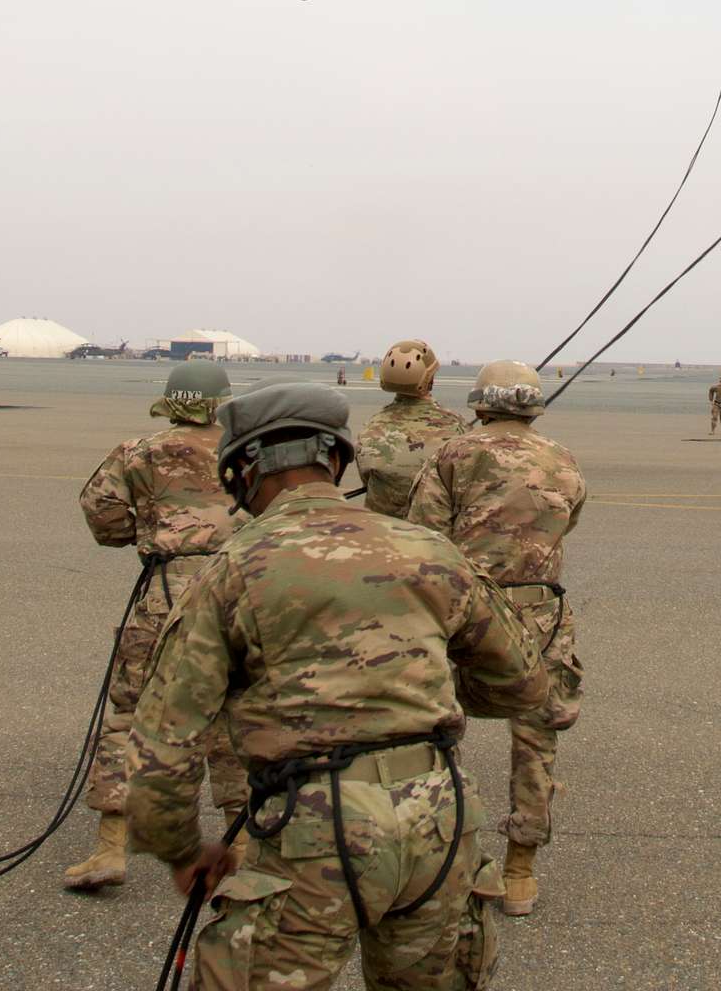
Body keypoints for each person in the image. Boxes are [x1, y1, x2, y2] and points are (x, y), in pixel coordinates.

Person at [127, 381, 546, 991]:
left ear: (243, 471)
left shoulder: (233, 569)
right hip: (440, 818)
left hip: (315, 829)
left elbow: (163, 747)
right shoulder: (431, 550)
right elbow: (523, 683)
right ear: (337, 458)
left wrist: (184, 850)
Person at [407, 361, 585, 919]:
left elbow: (424, 535)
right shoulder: (562, 458)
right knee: (536, 737)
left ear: (480, 403)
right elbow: (567, 519)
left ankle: (445, 855)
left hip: (465, 609)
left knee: (432, 727)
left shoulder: (453, 454)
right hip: (540, 611)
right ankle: (520, 871)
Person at [64, 361, 246, 892]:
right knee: (236, 712)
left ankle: (111, 847)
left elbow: (104, 517)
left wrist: (150, 529)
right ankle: (241, 846)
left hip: (165, 594)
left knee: (130, 712)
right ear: (222, 402)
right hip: (237, 590)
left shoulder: (137, 452)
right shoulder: (245, 451)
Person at [354, 339, 466, 518]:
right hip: (436, 536)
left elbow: (367, 477)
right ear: (429, 378)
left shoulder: (371, 429)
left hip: (383, 533)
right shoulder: (456, 426)